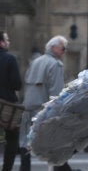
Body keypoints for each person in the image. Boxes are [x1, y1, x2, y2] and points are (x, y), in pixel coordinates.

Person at [19, 36, 74, 171]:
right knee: (54, 142)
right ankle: (62, 169)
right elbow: (57, 93)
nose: (64, 52)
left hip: (28, 107)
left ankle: (24, 169)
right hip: (43, 110)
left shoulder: (35, 62)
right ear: (53, 48)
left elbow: (26, 83)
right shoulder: (55, 64)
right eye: (63, 48)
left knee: (25, 142)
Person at [0, 31, 23, 171]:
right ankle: (6, 168)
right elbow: (17, 84)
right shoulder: (9, 59)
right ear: (1, 42)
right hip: (7, 105)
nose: (8, 42)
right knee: (12, 139)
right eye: (7, 39)